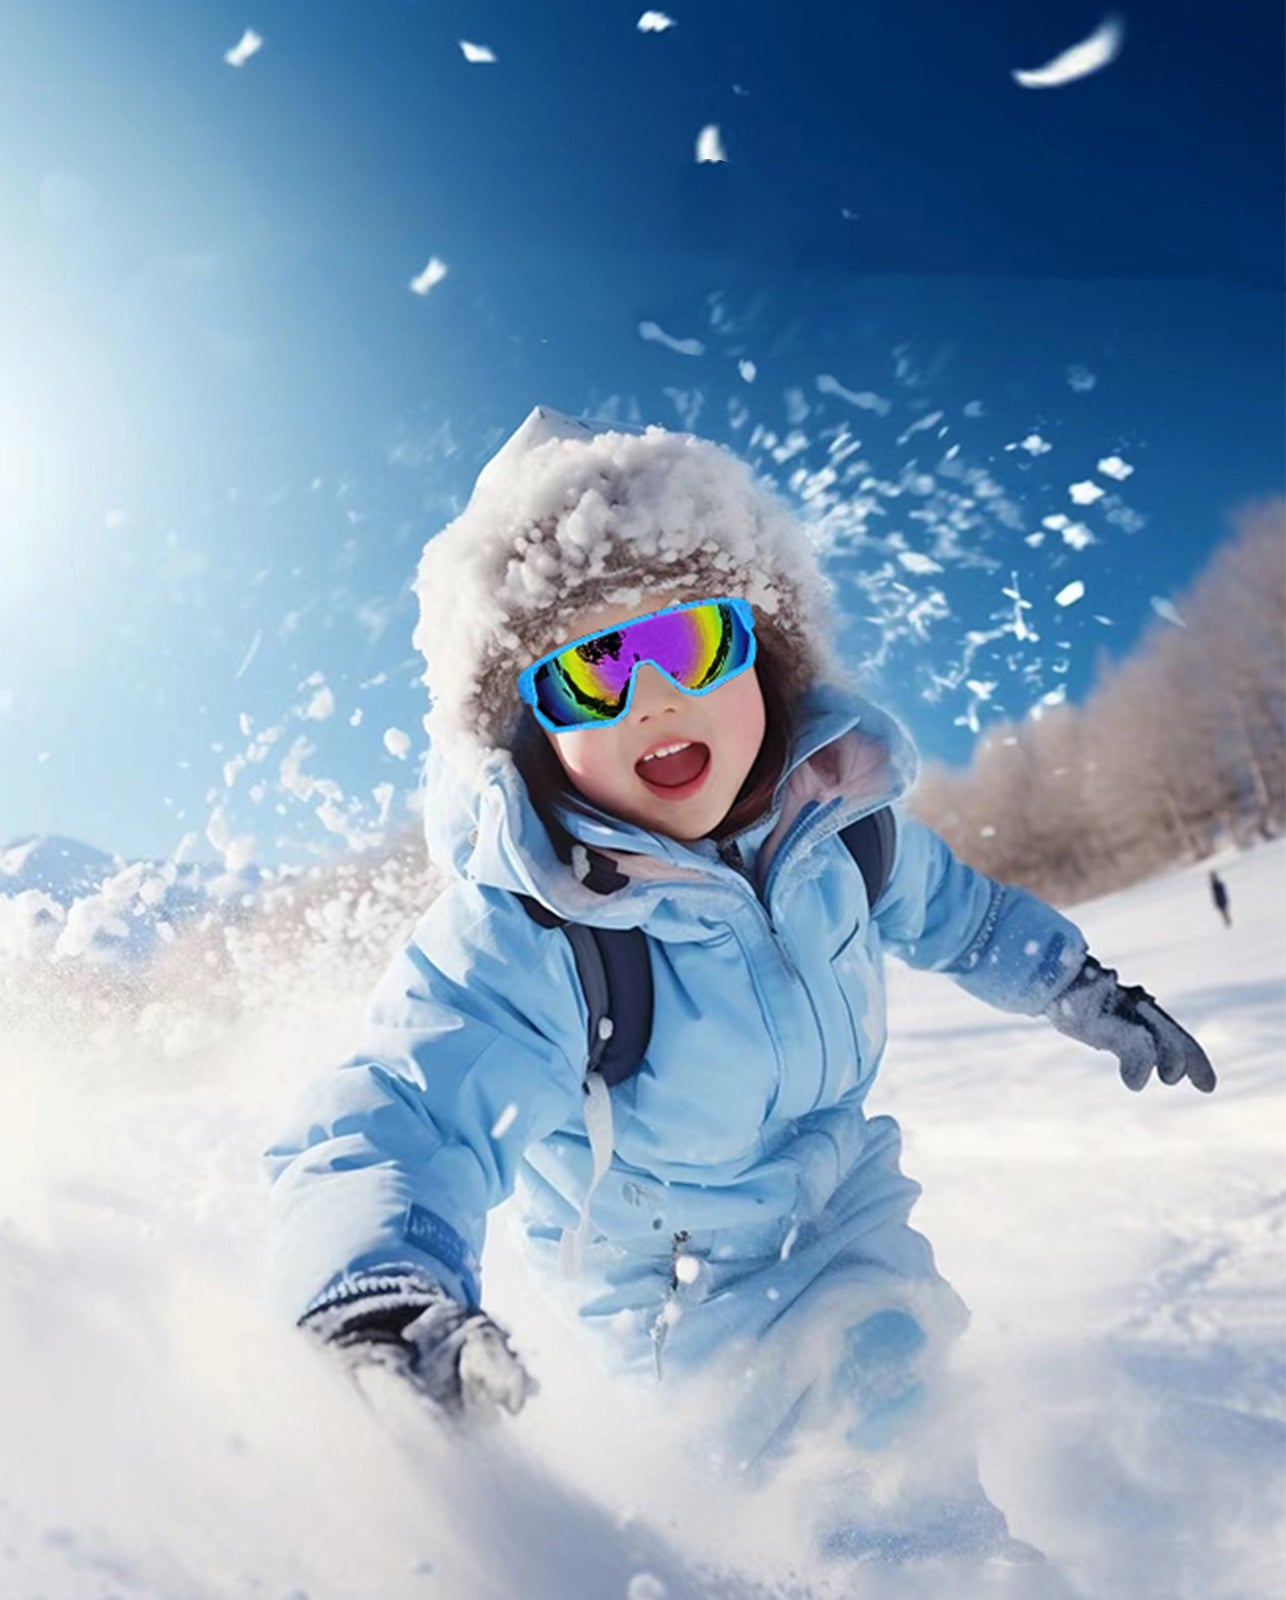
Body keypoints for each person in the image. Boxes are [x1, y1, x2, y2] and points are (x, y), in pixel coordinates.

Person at [263, 407, 1217, 1566]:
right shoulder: (539, 925)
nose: (652, 697)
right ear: (530, 733)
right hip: (675, 1282)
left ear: (764, 654)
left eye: (689, 640)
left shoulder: (840, 830)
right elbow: (408, 1106)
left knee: (902, 1438)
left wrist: (1073, 981)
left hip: (847, 1206)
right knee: (808, 1501)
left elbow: (960, 914)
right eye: (591, 670)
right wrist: (378, 1282)